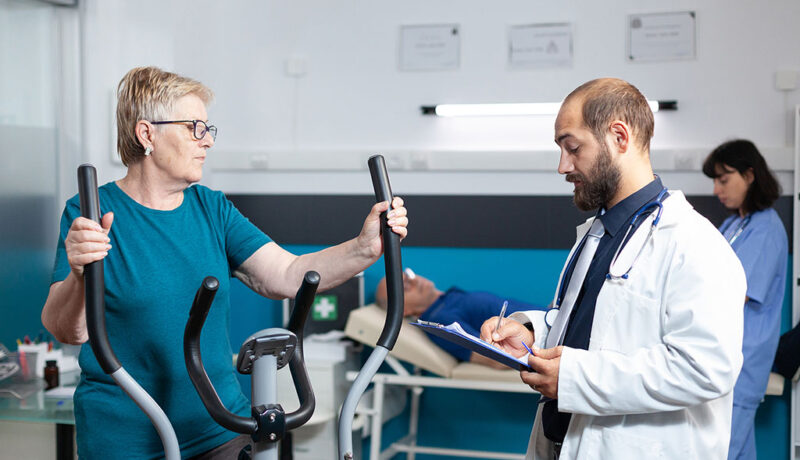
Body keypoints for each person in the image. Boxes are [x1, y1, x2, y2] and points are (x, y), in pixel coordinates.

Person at [40, 67, 408, 459]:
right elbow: (68, 330)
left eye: (209, 128)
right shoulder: (91, 212)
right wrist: (80, 273)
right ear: (147, 134)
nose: (208, 141)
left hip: (219, 427)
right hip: (126, 441)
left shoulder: (211, 208)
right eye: (194, 128)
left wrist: (364, 248)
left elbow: (286, 275)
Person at [480, 78, 745, 459]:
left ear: (619, 137)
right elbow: (590, 327)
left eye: (573, 148)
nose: (562, 166)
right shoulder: (597, 235)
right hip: (560, 442)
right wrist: (529, 332)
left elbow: (705, 368)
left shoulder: (694, 244)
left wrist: (576, 377)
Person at [702, 139, 788, 460]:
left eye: (723, 180)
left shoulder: (765, 229)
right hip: (725, 357)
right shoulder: (734, 223)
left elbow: (733, 295)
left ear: (749, 175)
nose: (716, 190)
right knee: (737, 452)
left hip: (742, 360)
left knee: (724, 450)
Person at [374, 271, 544, 369]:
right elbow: (494, 359)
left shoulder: (447, 301)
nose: (413, 281)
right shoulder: (439, 319)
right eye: (404, 287)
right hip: (550, 342)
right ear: (404, 310)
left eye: (408, 275)